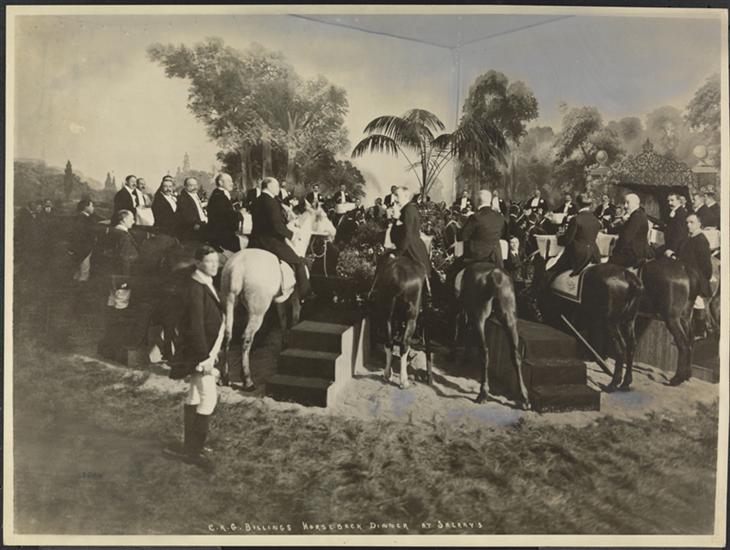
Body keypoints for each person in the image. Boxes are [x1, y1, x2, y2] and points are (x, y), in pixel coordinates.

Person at [164, 245, 225, 470]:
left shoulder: (205, 282)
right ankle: (194, 453)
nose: (214, 265)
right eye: (209, 261)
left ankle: (190, 447)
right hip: (199, 354)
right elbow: (195, 326)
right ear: (198, 263)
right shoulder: (195, 288)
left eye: (216, 261)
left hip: (204, 351)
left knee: (195, 396)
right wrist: (205, 358)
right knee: (209, 399)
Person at [249, 177, 312, 300]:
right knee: (298, 262)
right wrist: (292, 235)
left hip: (254, 241)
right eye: (276, 186)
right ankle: (306, 294)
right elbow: (277, 226)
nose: (278, 188)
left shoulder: (256, 200)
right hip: (270, 242)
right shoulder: (271, 202)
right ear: (269, 186)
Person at [542, 194, 601, 288]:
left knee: (551, 270)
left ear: (577, 205)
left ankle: (544, 292)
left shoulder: (576, 219)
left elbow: (567, 241)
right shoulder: (596, 220)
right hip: (594, 253)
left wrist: (558, 237)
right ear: (590, 205)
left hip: (578, 254)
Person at [675, 214, 713, 340]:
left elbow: (706, 266)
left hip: (698, 278)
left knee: (698, 302)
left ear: (699, 224)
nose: (688, 225)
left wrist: (702, 280)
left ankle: (700, 331)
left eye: (691, 222)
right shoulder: (688, 238)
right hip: (685, 275)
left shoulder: (701, 240)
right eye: (687, 222)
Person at [390, 186, 431, 278]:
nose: (395, 199)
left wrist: (398, 253)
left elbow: (407, 235)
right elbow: (393, 236)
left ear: (405, 196)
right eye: (395, 196)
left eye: (397, 195)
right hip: (407, 247)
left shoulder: (408, 210)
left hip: (412, 250)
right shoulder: (405, 210)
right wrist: (395, 219)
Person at [608, 193, 650, 268]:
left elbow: (626, 238)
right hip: (634, 252)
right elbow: (623, 229)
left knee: (608, 266)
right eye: (624, 203)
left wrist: (616, 250)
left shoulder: (636, 216)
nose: (625, 206)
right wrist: (608, 230)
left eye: (628, 203)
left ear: (635, 203)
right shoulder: (637, 214)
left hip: (633, 254)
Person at [207, 173, 243, 253]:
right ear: (220, 182)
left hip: (225, 234)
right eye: (229, 181)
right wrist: (238, 214)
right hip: (222, 238)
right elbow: (225, 217)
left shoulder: (220, 194)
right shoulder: (218, 196)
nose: (232, 183)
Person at [68, 198, 98, 283]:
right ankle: (81, 287)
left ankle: (75, 285)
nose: (93, 208)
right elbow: (79, 234)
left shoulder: (82, 217)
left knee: (79, 270)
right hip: (84, 247)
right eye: (91, 206)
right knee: (84, 270)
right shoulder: (82, 218)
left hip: (81, 247)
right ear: (86, 207)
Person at [102, 209, 139, 277]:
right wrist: (125, 277)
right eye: (132, 219)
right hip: (123, 272)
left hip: (112, 270)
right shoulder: (124, 236)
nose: (133, 222)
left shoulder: (113, 231)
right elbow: (124, 258)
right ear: (124, 220)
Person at [176, 177, 208, 242]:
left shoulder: (195, 194)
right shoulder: (183, 198)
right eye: (191, 185)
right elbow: (189, 218)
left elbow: (198, 209)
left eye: (196, 185)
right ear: (185, 186)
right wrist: (203, 223)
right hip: (193, 228)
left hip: (202, 222)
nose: (195, 187)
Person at [660, 192, 688, 258]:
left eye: (672, 200)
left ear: (678, 201)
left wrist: (672, 249)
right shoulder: (673, 211)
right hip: (670, 244)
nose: (670, 203)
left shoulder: (681, 213)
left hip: (675, 248)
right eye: (668, 201)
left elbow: (680, 233)